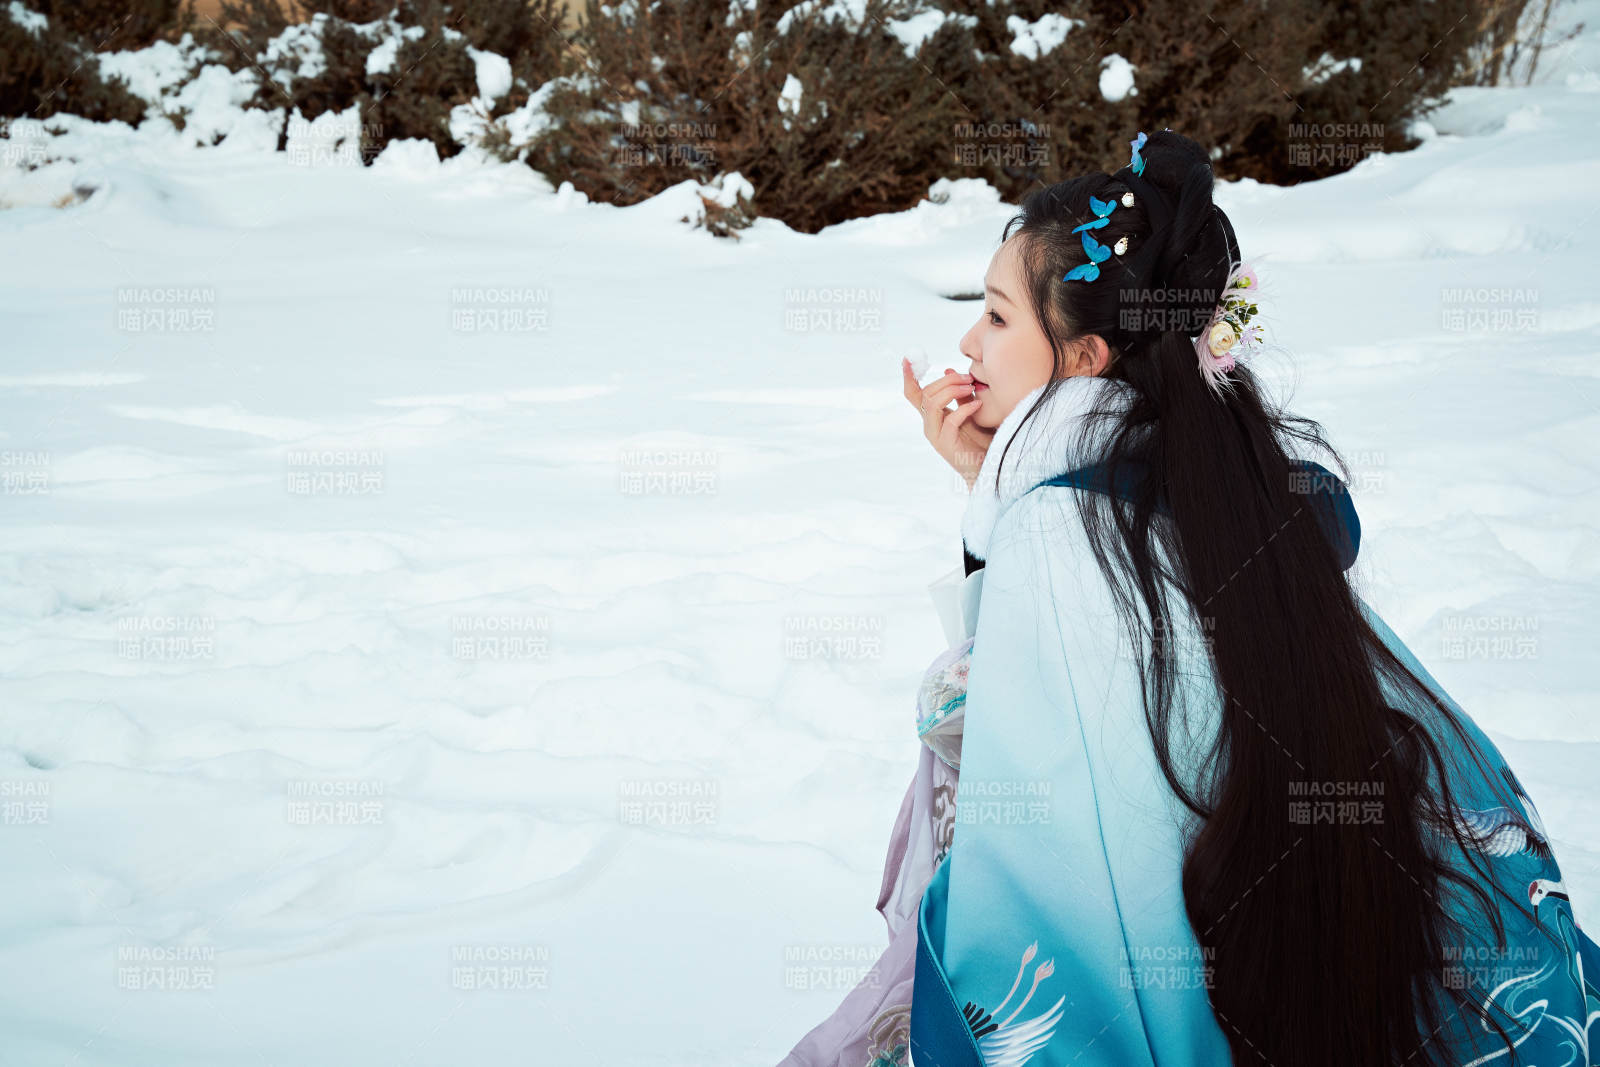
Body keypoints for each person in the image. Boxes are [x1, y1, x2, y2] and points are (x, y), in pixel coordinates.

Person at [782, 130, 1599, 1067]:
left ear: (1085, 357)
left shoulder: (1066, 531)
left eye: (998, 317)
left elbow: (1018, 774)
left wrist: (1000, 520)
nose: (967, 342)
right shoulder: (1207, 477)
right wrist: (988, 494)